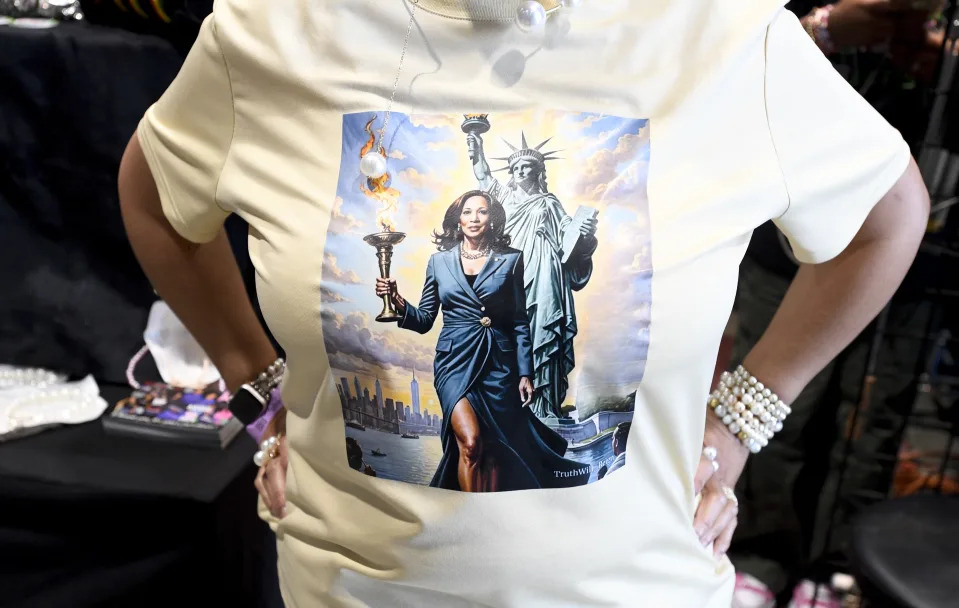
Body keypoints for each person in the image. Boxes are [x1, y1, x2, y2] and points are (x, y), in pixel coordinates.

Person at [118, 0, 930, 605]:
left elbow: (885, 220)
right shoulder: (270, 32)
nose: (487, 206)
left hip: (636, 588)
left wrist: (744, 416)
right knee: (467, 436)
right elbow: (155, 201)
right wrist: (260, 394)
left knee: (524, 416)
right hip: (349, 588)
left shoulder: (725, 36)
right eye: (473, 204)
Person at [727, 2, 945, 607]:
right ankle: (761, 559)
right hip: (785, 231)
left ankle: (838, 569)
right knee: (784, 407)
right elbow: (732, 59)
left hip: (924, 245)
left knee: (872, 416)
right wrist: (827, 27)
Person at [376, 190, 590, 491]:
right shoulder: (438, 263)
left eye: (482, 212)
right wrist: (397, 301)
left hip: (499, 366)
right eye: (467, 212)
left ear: (492, 219)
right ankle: (467, 513)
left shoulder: (512, 259)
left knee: (491, 451)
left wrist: (526, 372)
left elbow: (518, 321)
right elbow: (424, 320)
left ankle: (488, 515)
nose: (474, 218)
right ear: (457, 219)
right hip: (455, 363)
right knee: (471, 441)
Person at [468, 129, 598, 418]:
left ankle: (544, 404)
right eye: (516, 167)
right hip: (513, 272)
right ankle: (511, 403)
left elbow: (569, 234)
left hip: (545, 272)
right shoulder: (503, 200)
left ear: (539, 171)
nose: (521, 169)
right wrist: (476, 147)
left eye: (527, 166)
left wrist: (586, 236)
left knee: (543, 330)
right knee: (511, 333)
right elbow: (484, 177)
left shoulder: (550, 202)